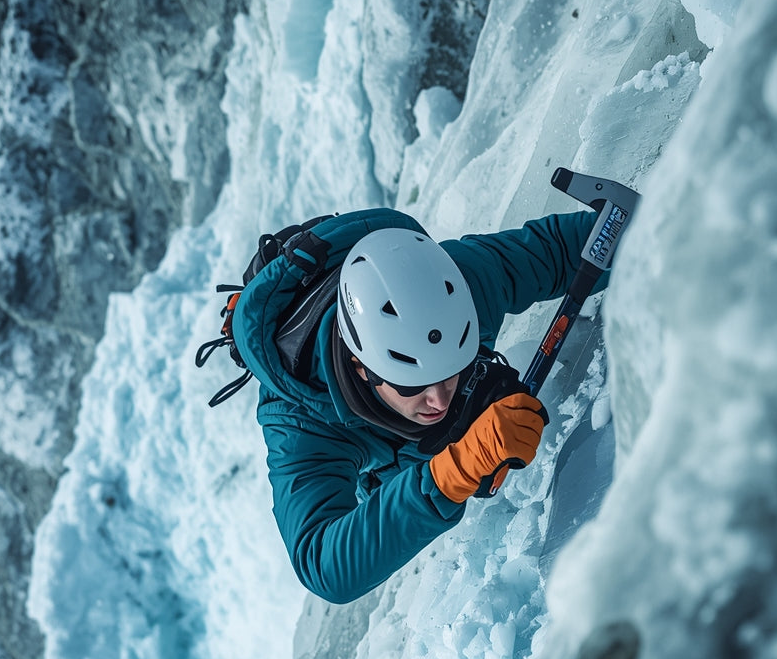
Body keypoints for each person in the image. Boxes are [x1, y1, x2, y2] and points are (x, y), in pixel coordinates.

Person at [229, 206, 605, 604]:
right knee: (419, 460)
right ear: (361, 367)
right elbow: (322, 564)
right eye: (413, 384)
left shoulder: (458, 283)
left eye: (451, 370)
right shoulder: (299, 423)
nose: (439, 399)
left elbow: (565, 248)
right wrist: (454, 471)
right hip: (362, 440)